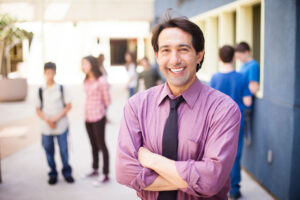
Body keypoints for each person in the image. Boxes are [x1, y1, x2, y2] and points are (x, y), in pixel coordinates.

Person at [116, 15, 241, 200]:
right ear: (157, 57)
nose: (174, 60)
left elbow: (212, 181)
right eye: (166, 50)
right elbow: (124, 173)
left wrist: (152, 161)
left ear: (199, 55)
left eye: (183, 49)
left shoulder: (223, 109)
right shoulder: (137, 106)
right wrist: (197, 179)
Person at [210, 45, 252, 200]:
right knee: (235, 154)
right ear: (234, 57)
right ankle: (234, 190)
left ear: (219, 59)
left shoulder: (214, 78)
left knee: (217, 155)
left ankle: (217, 187)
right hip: (237, 122)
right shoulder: (242, 77)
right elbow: (247, 101)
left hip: (218, 124)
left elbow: (210, 103)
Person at [36, 62, 74, 185]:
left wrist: (56, 118)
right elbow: (37, 109)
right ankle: (53, 173)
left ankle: (67, 173)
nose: (50, 75)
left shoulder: (62, 88)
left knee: (64, 150)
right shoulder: (41, 90)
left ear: (55, 73)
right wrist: (48, 120)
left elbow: (68, 106)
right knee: (48, 150)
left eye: (52, 73)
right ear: (44, 73)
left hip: (61, 125)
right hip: (46, 127)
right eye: (47, 73)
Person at [81, 55, 111, 184]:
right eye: (82, 64)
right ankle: (94, 169)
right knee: (93, 144)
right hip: (87, 117)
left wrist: (103, 113)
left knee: (101, 145)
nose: (83, 66)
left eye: (85, 64)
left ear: (92, 64)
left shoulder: (102, 81)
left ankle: (105, 174)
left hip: (99, 116)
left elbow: (107, 100)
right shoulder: (86, 80)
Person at [235, 42, 260, 145]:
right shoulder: (243, 65)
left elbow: (254, 88)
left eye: (240, 56)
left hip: (246, 105)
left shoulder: (253, 66)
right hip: (240, 102)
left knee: (242, 135)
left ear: (247, 52)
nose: (239, 59)